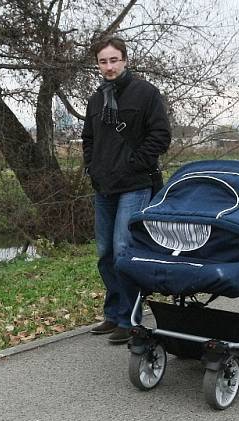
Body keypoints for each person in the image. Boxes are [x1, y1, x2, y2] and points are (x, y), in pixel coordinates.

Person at [82, 36, 171, 344]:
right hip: (104, 186)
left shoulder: (145, 93)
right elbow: (89, 139)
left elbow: (160, 135)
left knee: (124, 250)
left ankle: (129, 318)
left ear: (125, 60)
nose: (109, 66)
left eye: (114, 60)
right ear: (98, 64)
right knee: (105, 252)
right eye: (103, 61)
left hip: (135, 184)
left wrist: (134, 163)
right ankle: (113, 312)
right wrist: (91, 167)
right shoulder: (96, 99)